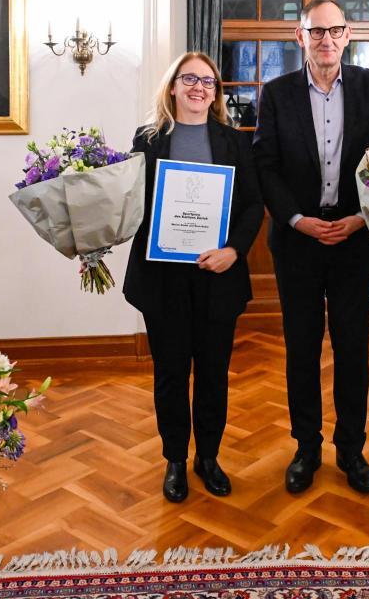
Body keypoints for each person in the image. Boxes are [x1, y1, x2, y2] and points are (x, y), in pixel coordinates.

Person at [252, 0, 369, 495]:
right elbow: (265, 164)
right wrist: (297, 220)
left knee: (353, 347)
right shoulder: (275, 93)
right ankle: (307, 447)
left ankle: (351, 448)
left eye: (334, 31)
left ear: (348, 34)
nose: (326, 40)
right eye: (316, 32)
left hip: (356, 237)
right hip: (298, 242)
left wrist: (360, 218)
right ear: (301, 37)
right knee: (302, 347)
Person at [123, 52, 263, 503]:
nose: (199, 88)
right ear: (173, 87)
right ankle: (175, 461)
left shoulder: (234, 141)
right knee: (169, 374)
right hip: (162, 278)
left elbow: (251, 206)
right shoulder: (147, 139)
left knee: (213, 374)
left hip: (217, 275)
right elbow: (131, 205)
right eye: (190, 79)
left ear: (216, 93)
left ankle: (208, 457)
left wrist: (234, 251)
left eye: (208, 81)